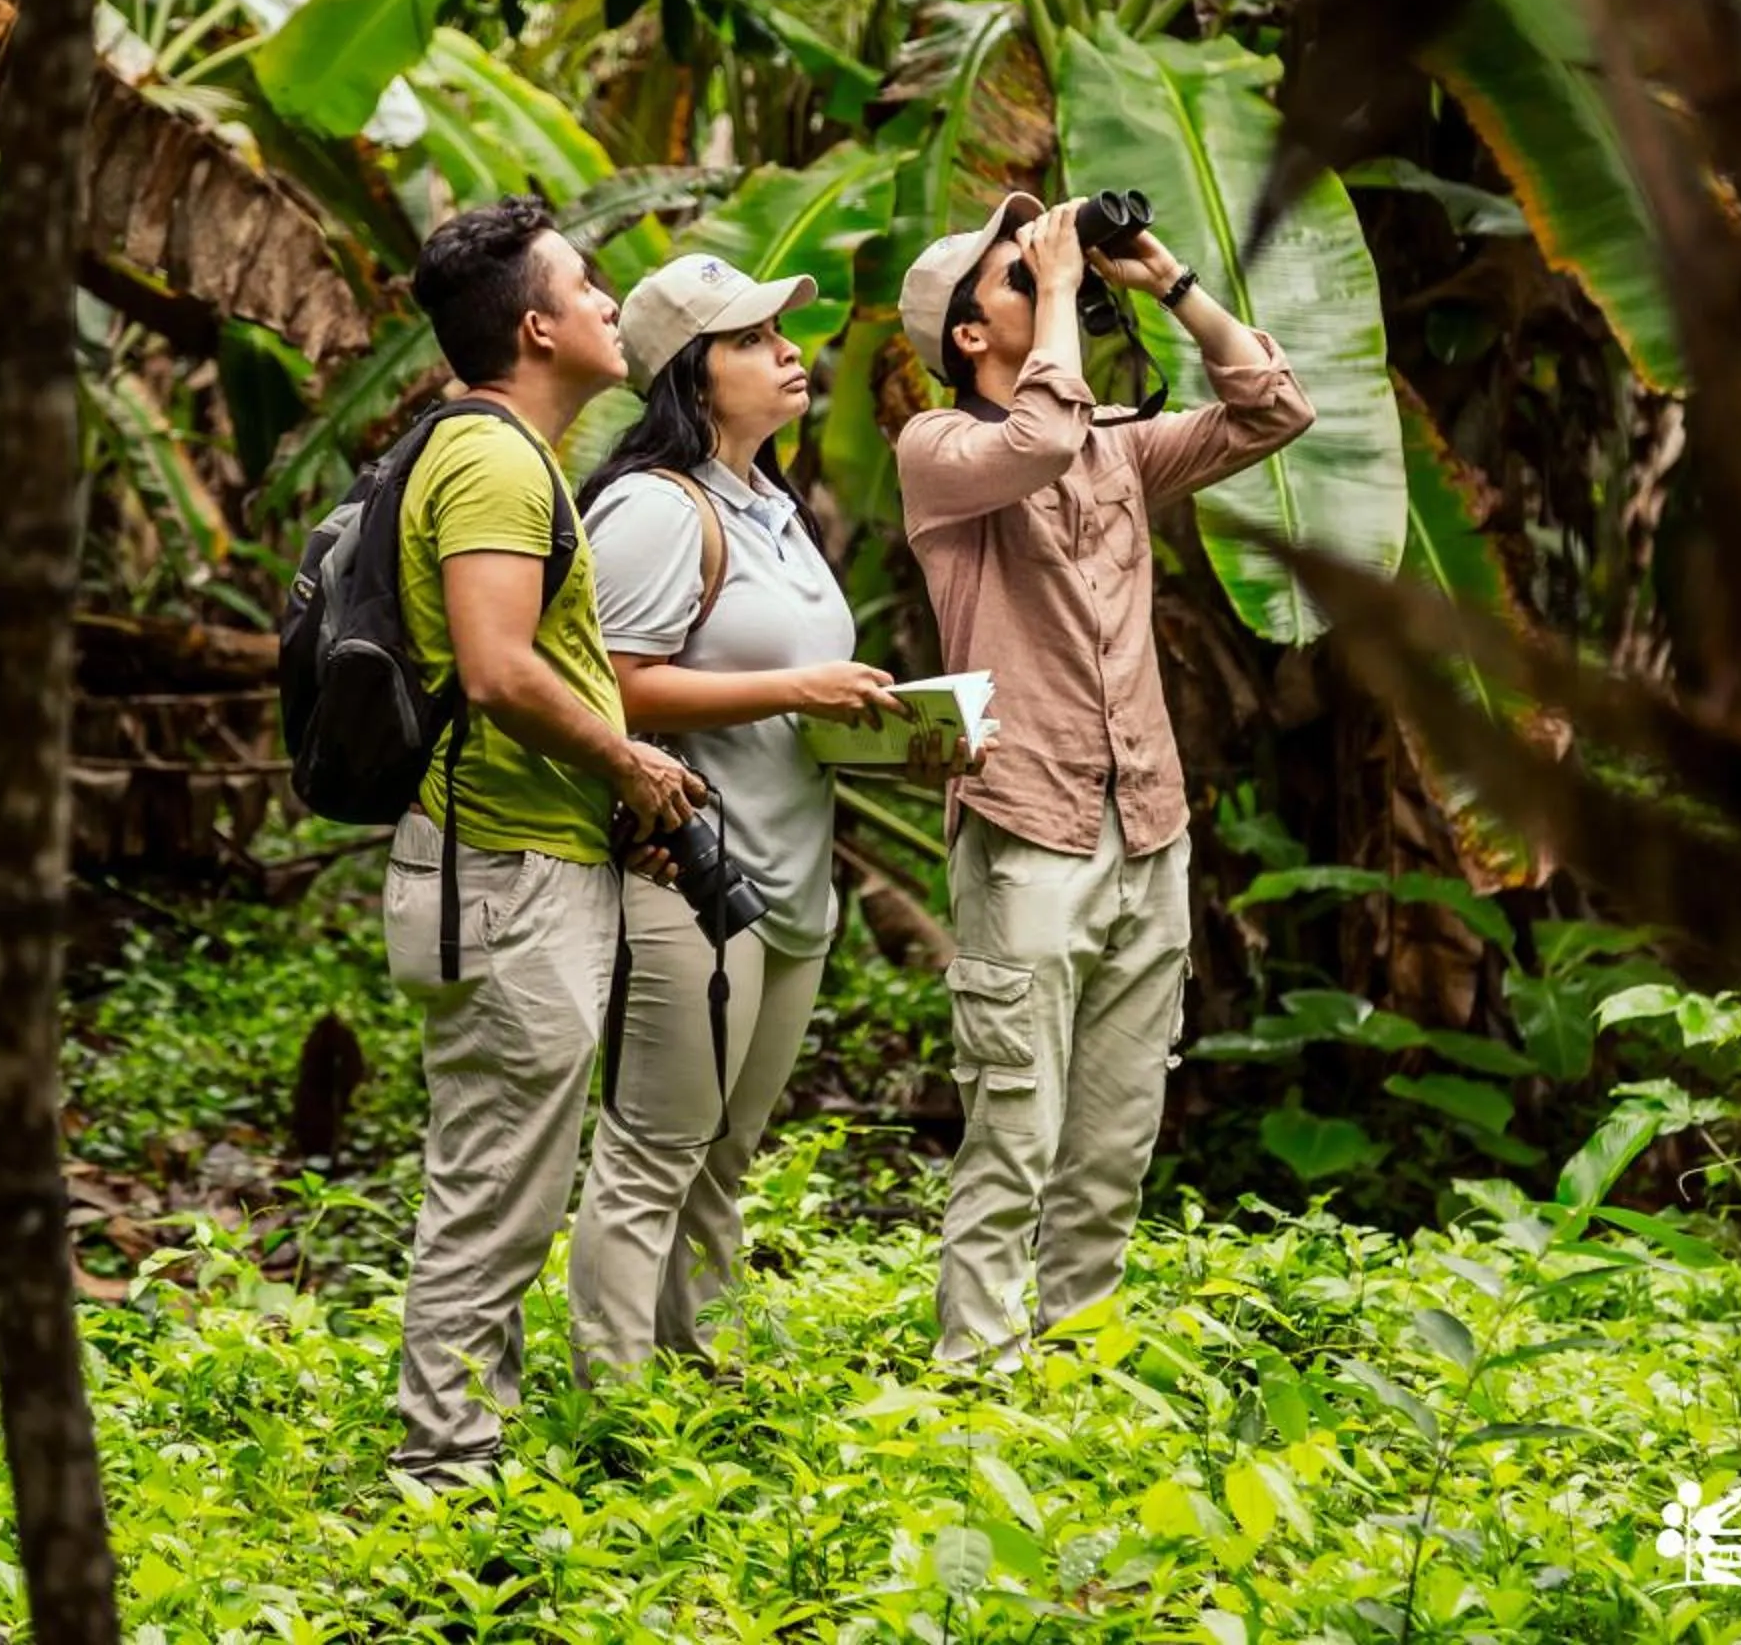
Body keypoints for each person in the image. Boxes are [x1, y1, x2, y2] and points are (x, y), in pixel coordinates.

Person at [894, 193, 1316, 1365]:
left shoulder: (1117, 448)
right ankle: (977, 1376)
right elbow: (1030, 441)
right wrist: (1064, 272)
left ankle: (1077, 1368)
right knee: (1015, 1130)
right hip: (1029, 826)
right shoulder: (937, 451)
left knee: (1116, 1132)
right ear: (968, 337)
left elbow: (1273, 404)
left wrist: (1169, 281)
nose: (1046, 282)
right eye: (1018, 279)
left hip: (1148, 825)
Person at [563, 254, 977, 1376]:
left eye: (779, 333)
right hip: (688, 878)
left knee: (726, 1152)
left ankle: (709, 1376)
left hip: (793, 879)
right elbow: (607, 687)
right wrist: (797, 690)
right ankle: (615, 1401)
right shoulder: (656, 508)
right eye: (751, 338)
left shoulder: (776, 510)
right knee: (655, 1148)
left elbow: (785, 687)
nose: (790, 350)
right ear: (692, 378)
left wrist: (882, 725)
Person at [383, 196, 704, 1485]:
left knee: (501, 1175)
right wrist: (628, 756)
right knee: (494, 1187)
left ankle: (468, 1446)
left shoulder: (500, 456)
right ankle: (447, 1473)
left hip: (515, 866)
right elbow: (500, 667)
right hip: (503, 881)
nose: (612, 303)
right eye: (589, 286)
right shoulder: (498, 463)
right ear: (536, 325)